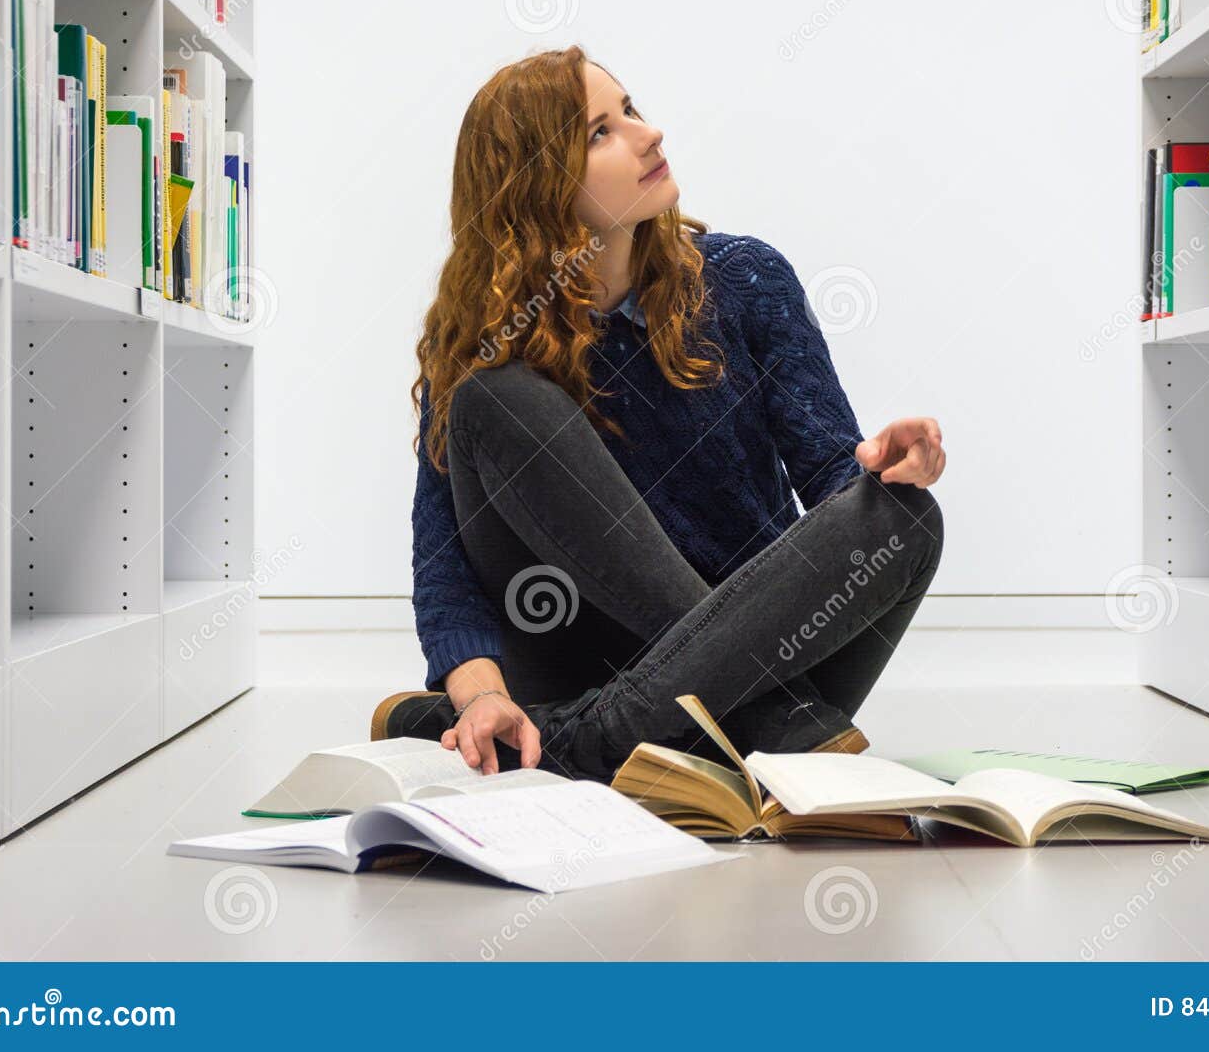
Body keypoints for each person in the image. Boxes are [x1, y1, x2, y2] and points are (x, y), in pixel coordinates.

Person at [373, 44, 945, 784]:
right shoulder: (484, 340)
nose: (649, 134)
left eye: (631, 110)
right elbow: (445, 565)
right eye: (599, 132)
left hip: (752, 659)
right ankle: (761, 734)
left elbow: (836, 482)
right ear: (536, 187)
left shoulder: (747, 279)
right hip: (590, 656)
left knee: (906, 518)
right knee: (497, 394)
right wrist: (481, 694)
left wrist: (886, 465)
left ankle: (585, 739)